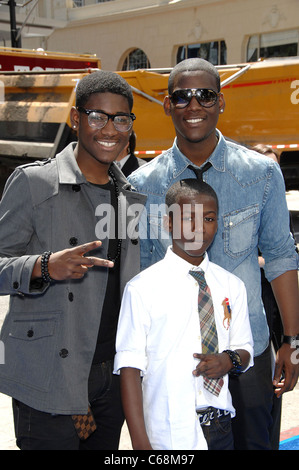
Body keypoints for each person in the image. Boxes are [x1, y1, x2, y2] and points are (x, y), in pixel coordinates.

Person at [128, 58, 299, 450]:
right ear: (168, 106)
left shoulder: (261, 174)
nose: (193, 106)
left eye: (204, 95)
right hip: (175, 361)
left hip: (248, 356)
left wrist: (292, 340)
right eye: (181, 97)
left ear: (220, 102)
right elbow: (138, 278)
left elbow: (280, 257)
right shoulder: (141, 185)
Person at [0, 70, 146, 450]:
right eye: (98, 116)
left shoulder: (131, 198)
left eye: (121, 119)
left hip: (110, 377)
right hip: (51, 371)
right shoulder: (34, 183)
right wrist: (44, 265)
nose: (110, 129)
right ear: (76, 119)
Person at [114, 179, 253, 450]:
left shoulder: (232, 285)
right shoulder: (142, 288)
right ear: (168, 222)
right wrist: (140, 442)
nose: (200, 228)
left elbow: (244, 348)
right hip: (168, 430)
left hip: (220, 425)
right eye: (188, 218)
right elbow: (130, 368)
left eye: (209, 218)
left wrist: (229, 360)